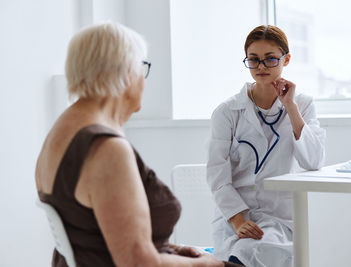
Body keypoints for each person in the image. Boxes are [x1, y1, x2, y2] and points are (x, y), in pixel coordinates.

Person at [35, 21, 239, 267]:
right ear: (125, 73)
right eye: (142, 67)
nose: (143, 79)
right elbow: (138, 262)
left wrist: (169, 249)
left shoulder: (63, 129)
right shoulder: (107, 149)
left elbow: (95, 232)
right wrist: (208, 264)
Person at [206, 25, 326, 267]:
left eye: (270, 59)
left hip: (281, 217)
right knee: (245, 250)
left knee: (261, 249)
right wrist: (238, 219)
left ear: (286, 59)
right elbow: (217, 175)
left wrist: (290, 107)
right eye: (254, 60)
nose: (261, 67)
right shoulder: (227, 111)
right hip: (238, 216)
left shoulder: (302, 104)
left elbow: (313, 161)